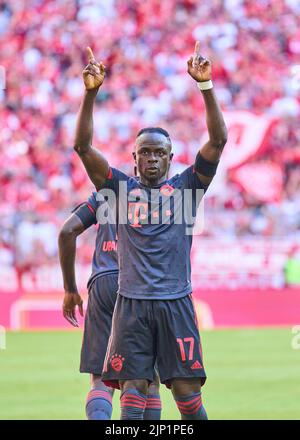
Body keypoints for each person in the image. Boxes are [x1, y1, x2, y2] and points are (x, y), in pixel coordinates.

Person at [73, 42, 227, 420]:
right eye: (146, 152)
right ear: (135, 157)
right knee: (132, 393)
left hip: (176, 302)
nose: (152, 158)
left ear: (171, 158)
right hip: (131, 305)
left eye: (160, 152)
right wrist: (90, 95)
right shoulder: (120, 190)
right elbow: (82, 146)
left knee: (188, 398)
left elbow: (219, 140)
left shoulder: (188, 187)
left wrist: (206, 88)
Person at [58, 194, 162, 420]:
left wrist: (70, 290)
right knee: (149, 380)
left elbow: (67, 231)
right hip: (141, 284)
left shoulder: (105, 194)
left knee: (101, 380)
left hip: (103, 282)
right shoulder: (159, 195)